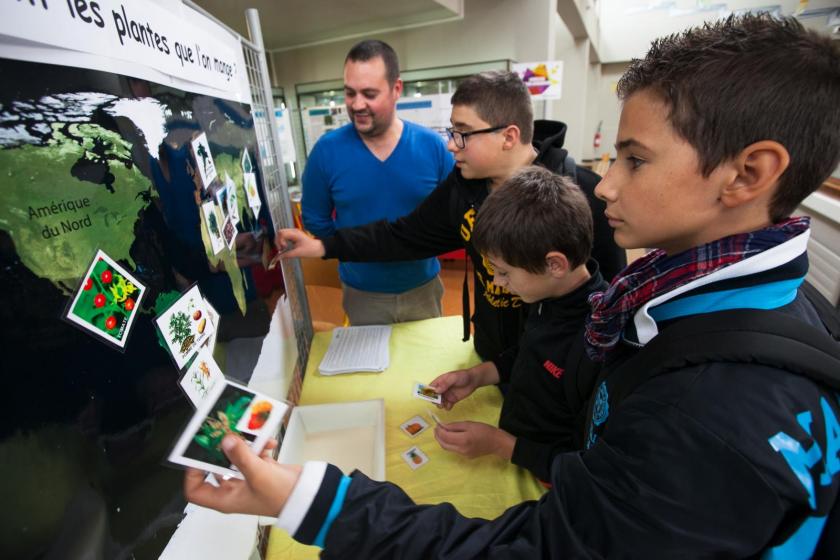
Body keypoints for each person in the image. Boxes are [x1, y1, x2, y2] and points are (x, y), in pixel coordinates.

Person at [185, 14, 840, 557]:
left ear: (748, 173)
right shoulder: (677, 313)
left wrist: (311, 502)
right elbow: (411, 237)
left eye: (635, 160)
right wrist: (496, 372)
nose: (608, 184)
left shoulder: (709, 414)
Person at [277, 70, 625, 361]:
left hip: (555, 370)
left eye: (462, 133)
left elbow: (611, 296)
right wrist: (322, 247)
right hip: (490, 356)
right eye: (451, 132)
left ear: (509, 136)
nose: (450, 145)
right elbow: (401, 236)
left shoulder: (583, 195)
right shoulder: (462, 189)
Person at [429, 166, 607, 482]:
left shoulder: (597, 341)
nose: (497, 282)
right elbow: (529, 354)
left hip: (550, 477)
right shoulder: (548, 295)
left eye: (505, 272)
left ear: (554, 264)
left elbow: (589, 464)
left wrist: (501, 446)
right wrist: (476, 376)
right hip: (517, 445)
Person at [301, 39, 454, 325]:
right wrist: (351, 249)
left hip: (423, 289)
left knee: (428, 369)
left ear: (397, 89)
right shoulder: (327, 151)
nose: (357, 105)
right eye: (350, 93)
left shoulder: (433, 147)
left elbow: (452, 215)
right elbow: (315, 219)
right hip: (361, 294)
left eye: (369, 94)